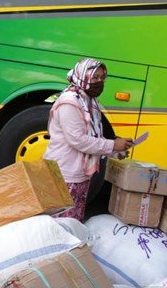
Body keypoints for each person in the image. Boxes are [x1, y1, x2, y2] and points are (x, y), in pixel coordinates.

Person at [43, 57, 133, 221]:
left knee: (72, 223)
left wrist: (115, 151)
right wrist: (113, 144)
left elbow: (94, 136)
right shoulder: (70, 102)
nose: (99, 82)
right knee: (61, 225)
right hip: (64, 173)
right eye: (95, 78)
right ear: (82, 76)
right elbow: (78, 140)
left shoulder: (88, 101)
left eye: (102, 78)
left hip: (79, 175)